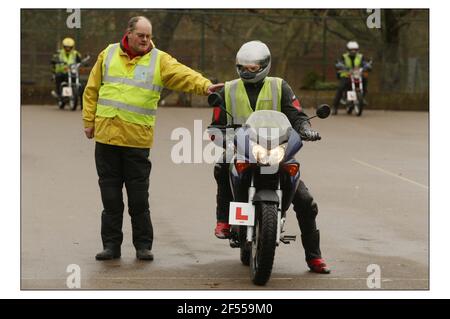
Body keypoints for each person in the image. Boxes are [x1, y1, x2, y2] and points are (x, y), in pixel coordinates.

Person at [82, 16, 223, 261]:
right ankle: (111, 246)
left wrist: (205, 86)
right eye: (141, 35)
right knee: (111, 198)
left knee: (138, 199)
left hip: (137, 142)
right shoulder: (108, 54)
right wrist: (88, 121)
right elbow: (92, 89)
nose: (146, 40)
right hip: (106, 139)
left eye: (148, 36)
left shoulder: (159, 59)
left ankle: (143, 246)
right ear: (129, 33)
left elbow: (183, 74)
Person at [210, 40, 330, 274]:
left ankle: (314, 257)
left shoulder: (279, 86)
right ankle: (224, 220)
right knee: (221, 166)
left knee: (305, 201)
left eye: (253, 68)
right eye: (243, 67)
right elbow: (216, 125)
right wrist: (222, 137)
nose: (247, 71)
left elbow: (297, 115)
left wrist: (305, 129)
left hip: (276, 149)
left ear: (265, 66)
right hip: (242, 148)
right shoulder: (228, 89)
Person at [332, 41, 372, 115]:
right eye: (351, 49)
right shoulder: (344, 56)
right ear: (348, 50)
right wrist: (340, 65)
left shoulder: (360, 56)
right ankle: (334, 107)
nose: (353, 51)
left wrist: (367, 66)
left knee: (365, 80)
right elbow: (339, 63)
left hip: (357, 75)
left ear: (357, 50)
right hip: (346, 75)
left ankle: (362, 98)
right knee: (341, 87)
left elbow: (364, 63)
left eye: (355, 49)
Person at [51, 37, 82, 102]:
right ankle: (59, 93)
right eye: (66, 47)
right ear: (63, 46)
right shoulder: (59, 53)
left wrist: (83, 63)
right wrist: (55, 61)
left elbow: (80, 61)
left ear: (72, 47)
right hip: (61, 72)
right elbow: (53, 60)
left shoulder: (75, 53)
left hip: (72, 72)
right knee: (58, 77)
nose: (68, 48)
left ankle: (80, 97)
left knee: (81, 83)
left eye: (69, 47)